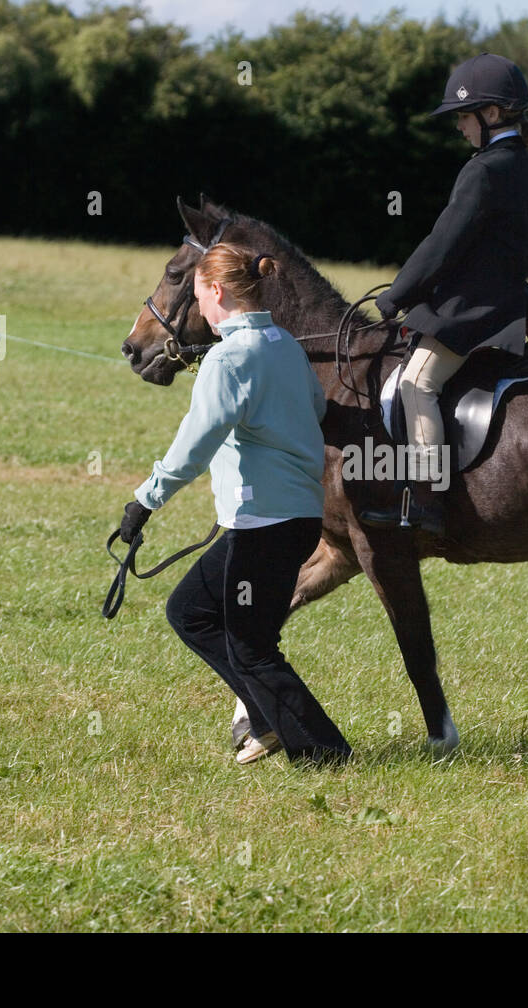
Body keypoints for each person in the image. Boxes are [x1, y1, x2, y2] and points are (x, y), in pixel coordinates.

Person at [118, 243, 351, 766]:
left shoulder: (227, 360)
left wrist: (144, 502)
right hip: (297, 521)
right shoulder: (286, 346)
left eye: (199, 296)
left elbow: (193, 447)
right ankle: (272, 723)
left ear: (216, 292)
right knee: (197, 614)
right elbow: (315, 408)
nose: (198, 307)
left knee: (245, 643)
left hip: (261, 524)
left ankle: (324, 750)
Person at [360, 52, 528, 536]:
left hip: (474, 311)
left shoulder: (484, 170)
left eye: (463, 116)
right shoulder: (519, 162)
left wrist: (396, 295)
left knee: (414, 383)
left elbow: (442, 244)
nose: (459, 126)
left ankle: (426, 500)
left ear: (492, 113)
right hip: (510, 308)